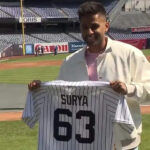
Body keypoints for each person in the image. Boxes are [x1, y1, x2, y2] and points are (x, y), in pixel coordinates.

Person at [28, 1, 150, 150]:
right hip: (84, 143)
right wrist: (41, 89)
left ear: (106, 26)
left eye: (94, 26)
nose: (89, 32)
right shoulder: (69, 63)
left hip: (123, 145)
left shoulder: (130, 55)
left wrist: (129, 89)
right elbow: (61, 101)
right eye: (85, 27)